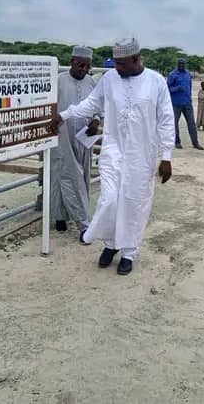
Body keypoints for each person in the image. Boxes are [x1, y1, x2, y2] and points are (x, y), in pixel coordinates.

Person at [49, 38, 174, 275]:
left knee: (133, 204)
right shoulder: (109, 79)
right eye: (115, 63)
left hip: (141, 156)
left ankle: (128, 252)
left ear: (136, 59)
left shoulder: (156, 81)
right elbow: (91, 104)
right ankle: (110, 243)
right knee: (109, 200)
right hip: (113, 151)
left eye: (121, 63)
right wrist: (64, 115)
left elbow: (166, 120)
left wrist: (166, 157)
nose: (117, 68)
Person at [50, 46, 100, 242]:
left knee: (82, 175)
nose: (84, 69)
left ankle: (66, 215)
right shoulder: (58, 81)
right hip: (63, 135)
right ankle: (80, 222)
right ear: (72, 62)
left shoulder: (91, 82)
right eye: (80, 65)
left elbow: (98, 106)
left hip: (84, 136)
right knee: (67, 175)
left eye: (87, 66)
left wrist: (96, 120)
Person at [167, 58, 203, 150]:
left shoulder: (188, 74)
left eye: (183, 64)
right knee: (175, 124)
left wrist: (190, 98)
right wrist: (176, 88)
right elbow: (167, 89)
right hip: (176, 104)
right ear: (177, 64)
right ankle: (177, 142)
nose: (182, 65)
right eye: (180, 64)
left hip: (187, 103)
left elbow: (189, 87)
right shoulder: (172, 75)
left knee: (192, 124)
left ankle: (195, 143)